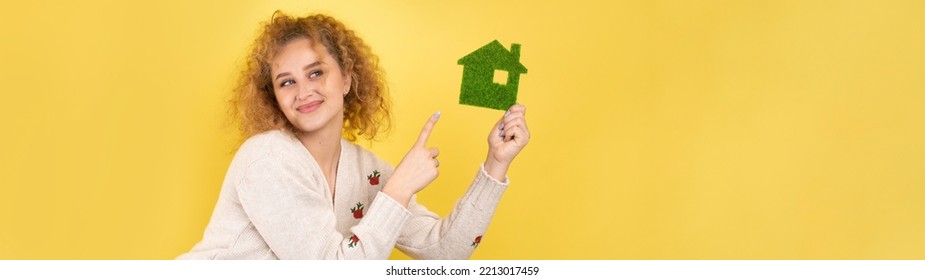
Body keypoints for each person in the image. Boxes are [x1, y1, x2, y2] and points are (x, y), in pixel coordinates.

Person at [177, 11, 530, 259]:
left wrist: (495, 164)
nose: (303, 91)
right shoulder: (266, 160)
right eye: (287, 81)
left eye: (316, 73)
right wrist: (399, 189)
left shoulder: (368, 173)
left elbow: (445, 253)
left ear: (347, 78)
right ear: (275, 97)